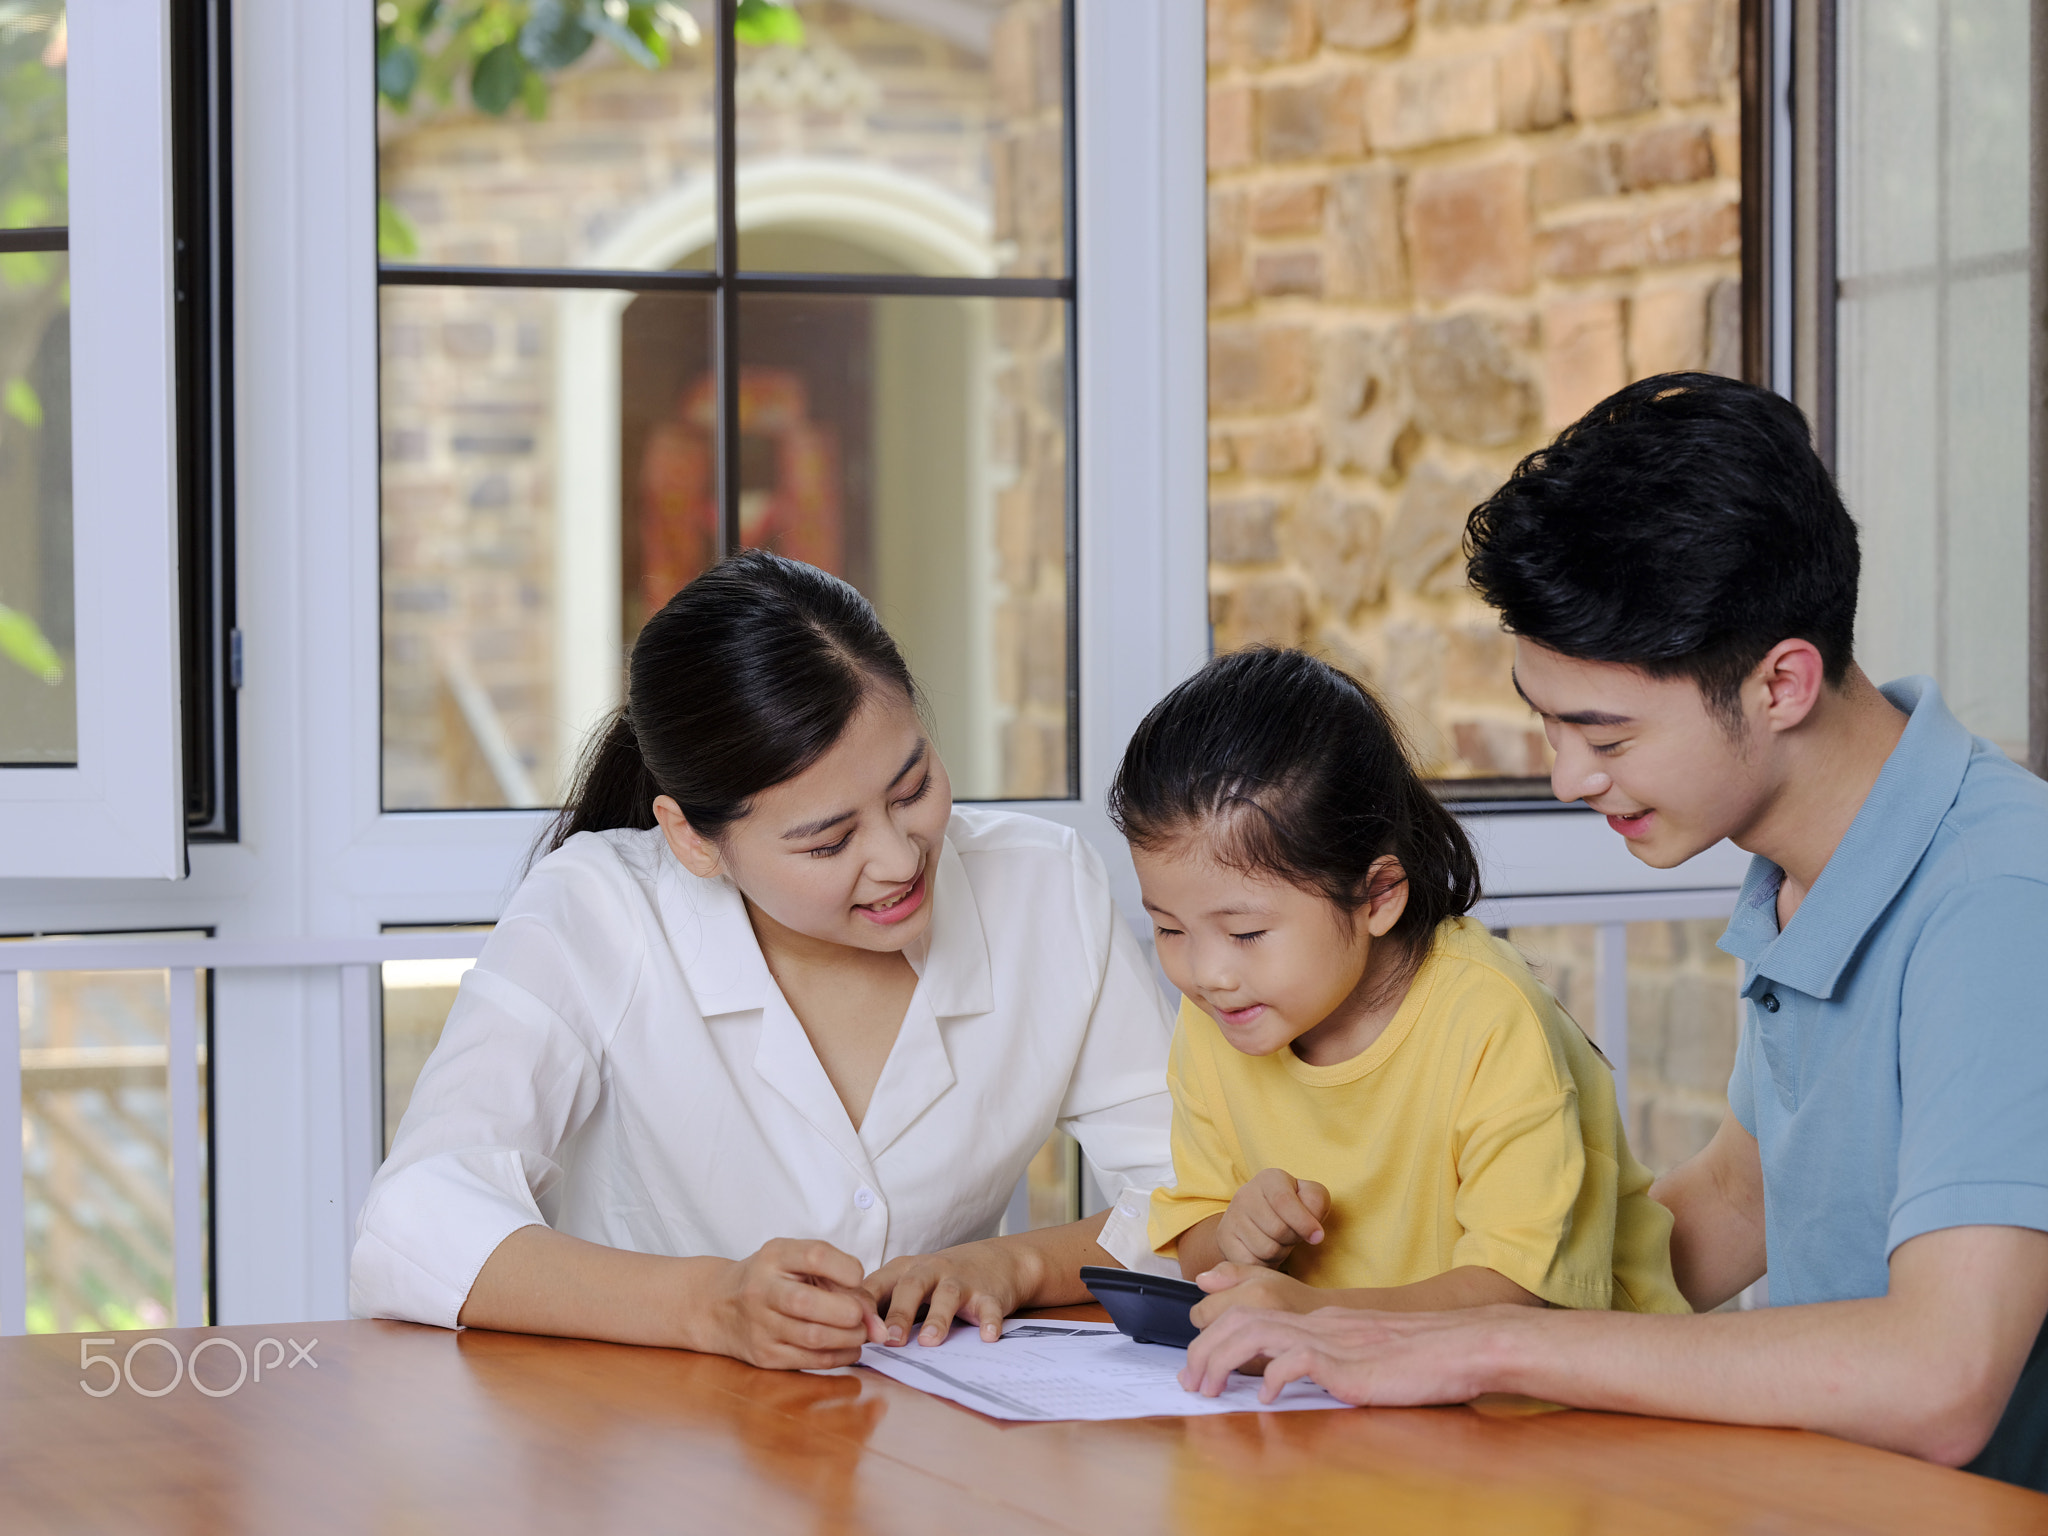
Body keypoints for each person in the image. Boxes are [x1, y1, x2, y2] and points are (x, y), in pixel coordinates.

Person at [1178, 373, 2048, 1492]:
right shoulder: (1809, 867)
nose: (1566, 777)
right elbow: (1737, 1202)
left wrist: (1489, 1344)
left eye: (1605, 734)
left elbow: (1941, 1380)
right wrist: (1358, 1317)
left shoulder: (1998, 897)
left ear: (1779, 681)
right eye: (1546, 724)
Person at [351, 551, 1174, 1369]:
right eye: (829, 841)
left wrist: (1013, 1263)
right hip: (660, 1451)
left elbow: (1199, 1194)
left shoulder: (1043, 888)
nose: (897, 858)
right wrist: (706, 1306)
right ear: (691, 839)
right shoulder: (598, 910)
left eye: (912, 789)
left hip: (934, 1452)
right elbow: (417, 1221)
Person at [1110, 648, 1688, 1326]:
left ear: (1377, 895)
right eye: (1170, 931)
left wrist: (1316, 1319)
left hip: (1572, 1403)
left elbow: (1518, 1295)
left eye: (1245, 934)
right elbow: (1199, 1247)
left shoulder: (1488, 1017)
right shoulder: (1221, 1015)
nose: (1206, 975)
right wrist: (1237, 1234)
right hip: (1356, 1393)